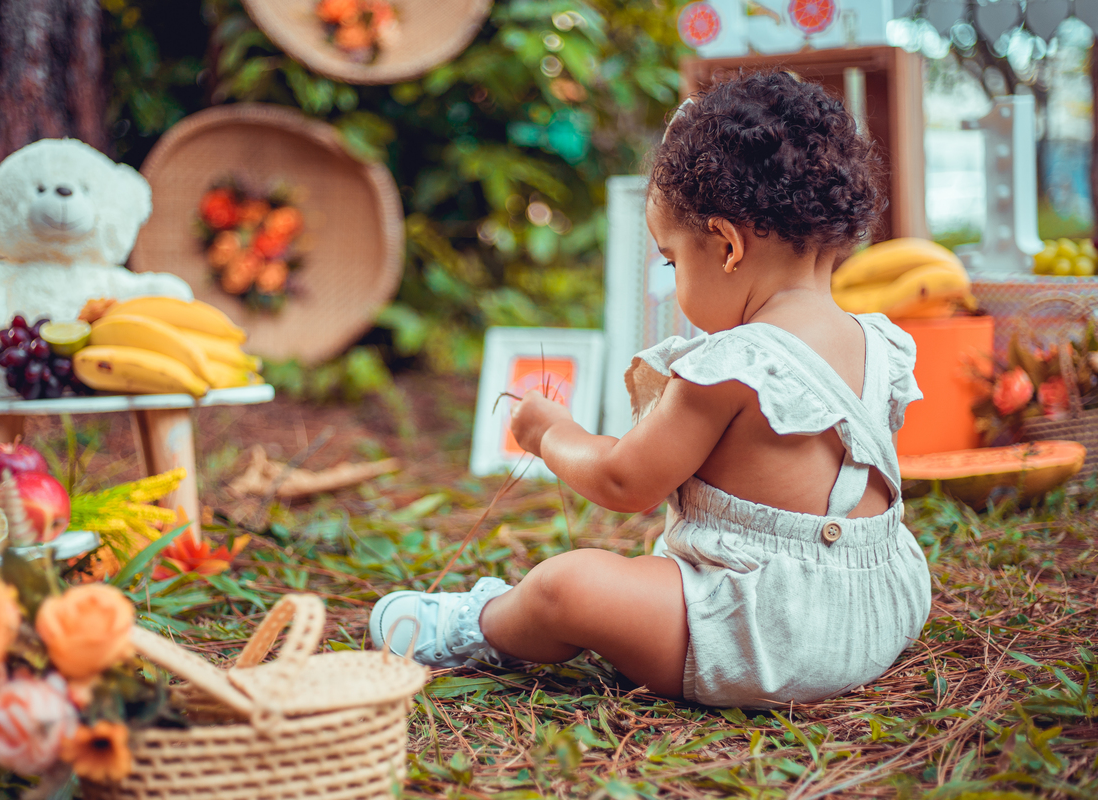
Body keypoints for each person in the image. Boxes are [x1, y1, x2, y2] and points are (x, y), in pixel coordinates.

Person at [369, 71, 932, 707]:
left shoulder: (731, 365)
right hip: (880, 609)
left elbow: (622, 481)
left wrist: (554, 433)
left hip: (774, 637)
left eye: (672, 259)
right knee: (656, 567)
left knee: (571, 586)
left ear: (725, 246)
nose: (672, 275)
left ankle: (483, 624)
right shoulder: (878, 341)